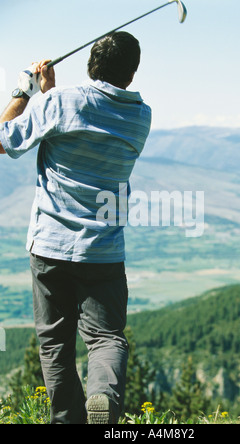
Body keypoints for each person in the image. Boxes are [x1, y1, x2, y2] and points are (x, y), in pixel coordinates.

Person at [0, 31, 152, 424]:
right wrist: (51, 95)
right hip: (102, 252)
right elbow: (87, 110)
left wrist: (26, 91)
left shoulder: (58, 103)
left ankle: (67, 420)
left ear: (90, 65)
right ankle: (102, 396)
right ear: (132, 75)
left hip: (49, 246)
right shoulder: (140, 116)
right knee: (106, 338)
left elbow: (3, 139)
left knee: (55, 345)